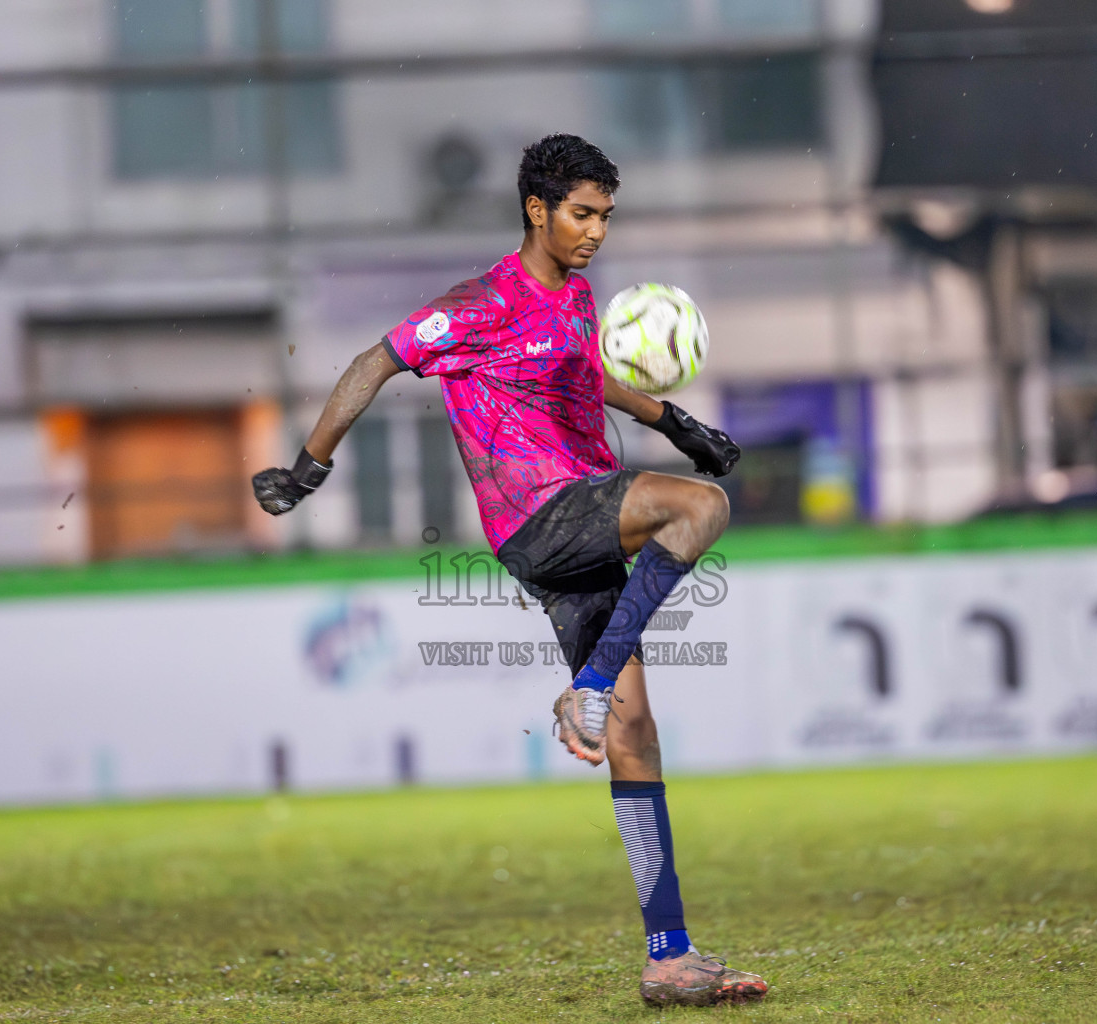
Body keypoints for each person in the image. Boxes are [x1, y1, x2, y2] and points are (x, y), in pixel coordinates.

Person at [250, 133, 767, 1007]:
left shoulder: (576, 300)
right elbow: (375, 360)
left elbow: (586, 375)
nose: (597, 230)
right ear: (538, 210)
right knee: (701, 510)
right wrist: (311, 465)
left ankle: (669, 957)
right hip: (542, 512)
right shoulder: (481, 301)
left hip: (583, 522)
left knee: (636, 739)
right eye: (582, 213)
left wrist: (674, 421)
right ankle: (591, 688)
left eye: (606, 215)